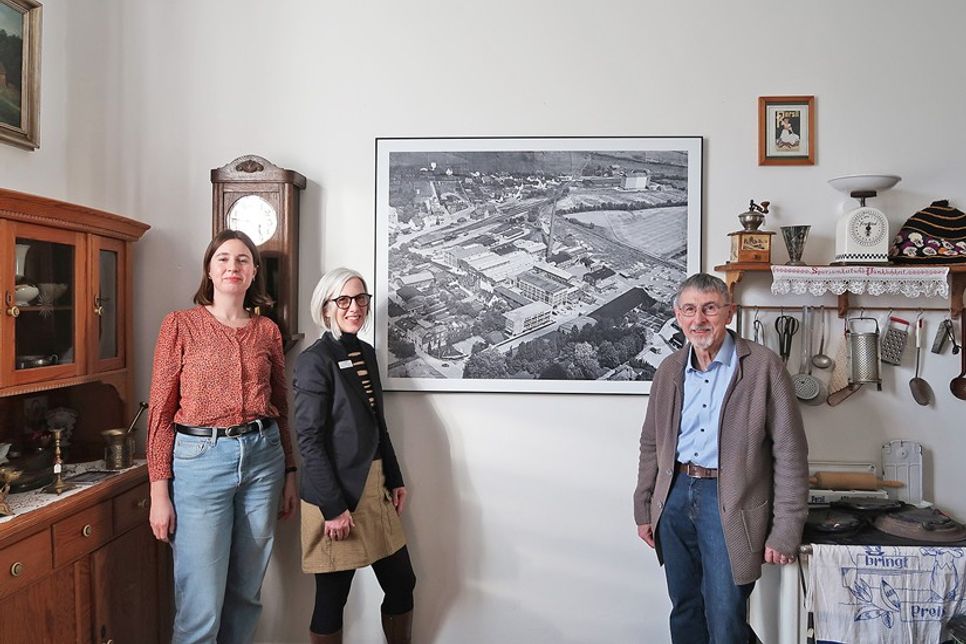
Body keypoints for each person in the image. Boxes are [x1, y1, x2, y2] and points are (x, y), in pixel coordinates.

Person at [633, 273, 808, 644]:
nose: (699, 320)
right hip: (674, 496)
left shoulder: (764, 367)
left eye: (710, 309)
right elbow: (651, 443)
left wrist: (786, 529)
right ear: (677, 315)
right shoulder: (668, 371)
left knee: (725, 614)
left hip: (731, 502)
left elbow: (790, 453)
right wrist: (643, 507)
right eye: (690, 310)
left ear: (729, 312)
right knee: (685, 608)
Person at [147, 229, 298, 643]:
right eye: (224, 259)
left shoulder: (267, 331)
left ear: (253, 274)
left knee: (246, 595)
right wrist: (160, 495)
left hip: (263, 459)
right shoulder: (180, 325)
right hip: (200, 462)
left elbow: (281, 406)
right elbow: (160, 414)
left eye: (243, 260)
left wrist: (288, 470)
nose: (233, 266)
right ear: (209, 270)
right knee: (201, 602)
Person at [294, 268, 416, 644]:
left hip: (374, 486)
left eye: (361, 298)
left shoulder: (365, 353)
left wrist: (394, 478)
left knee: (402, 582)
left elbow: (378, 422)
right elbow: (309, 440)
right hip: (337, 493)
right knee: (332, 597)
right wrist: (332, 508)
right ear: (326, 307)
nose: (354, 307)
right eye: (343, 300)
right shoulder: (315, 360)